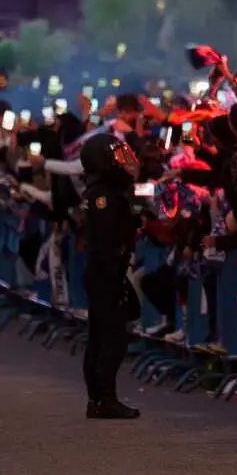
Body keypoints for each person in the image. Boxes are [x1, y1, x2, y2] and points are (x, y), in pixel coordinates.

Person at [80, 133, 143, 420]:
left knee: (100, 336)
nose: (123, 161)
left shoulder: (105, 191)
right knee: (111, 340)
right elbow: (106, 241)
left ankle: (98, 400)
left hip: (104, 273)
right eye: (116, 156)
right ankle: (105, 399)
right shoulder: (102, 196)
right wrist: (115, 276)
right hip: (106, 274)